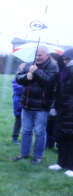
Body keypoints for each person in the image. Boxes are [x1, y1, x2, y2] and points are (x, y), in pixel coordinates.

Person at [13, 46, 59, 165]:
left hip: (42, 106)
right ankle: (24, 154)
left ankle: (38, 156)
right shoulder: (29, 65)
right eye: (36, 55)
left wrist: (36, 72)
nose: (37, 57)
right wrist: (26, 77)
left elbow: (49, 83)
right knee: (26, 131)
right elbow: (18, 78)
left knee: (39, 132)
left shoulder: (53, 67)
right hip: (26, 105)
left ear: (47, 56)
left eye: (40, 55)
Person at [48, 48, 73, 176]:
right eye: (63, 59)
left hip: (71, 111)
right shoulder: (62, 72)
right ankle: (61, 163)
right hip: (62, 110)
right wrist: (53, 106)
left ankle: (71, 167)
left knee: (71, 139)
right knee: (62, 137)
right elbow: (57, 91)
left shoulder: (70, 71)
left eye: (68, 59)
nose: (65, 61)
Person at [12, 63, 26, 144]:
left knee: (28, 123)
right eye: (22, 67)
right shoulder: (16, 78)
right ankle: (15, 138)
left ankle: (26, 138)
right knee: (18, 121)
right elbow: (16, 88)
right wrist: (26, 87)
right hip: (18, 102)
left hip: (28, 102)